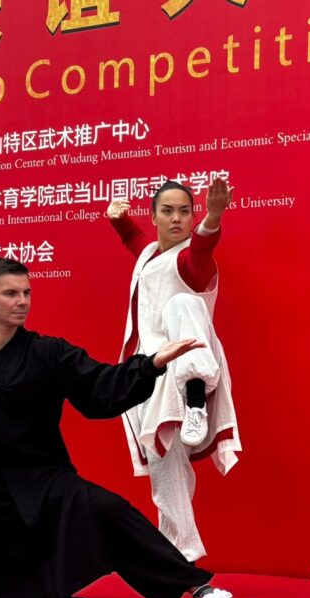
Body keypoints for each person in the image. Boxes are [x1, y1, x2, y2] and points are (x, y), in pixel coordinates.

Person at [0, 257, 249, 598]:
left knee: (112, 512)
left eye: (26, 293)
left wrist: (151, 365)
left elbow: (101, 388)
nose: (22, 301)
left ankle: (200, 589)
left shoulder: (49, 353)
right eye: (11, 293)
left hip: (41, 482)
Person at [105, 177, 241, 563]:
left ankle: (195, 401)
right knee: (165, 467)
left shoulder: (192, 260)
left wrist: (213, 218)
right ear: (155, 217)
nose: (177, 218)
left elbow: (201, 248)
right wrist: (119, 220)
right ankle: (179, 556)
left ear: (194, 216)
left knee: (183, 304)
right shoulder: (151, 254)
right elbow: (136, 242)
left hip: (191, 368)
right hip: (150, 372)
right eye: (167, 211)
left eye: (185, 211)